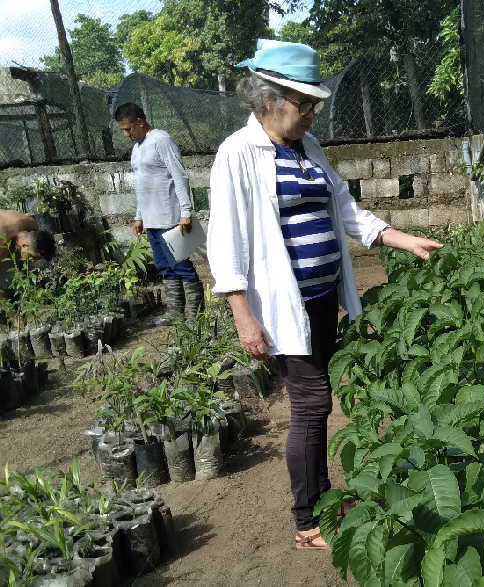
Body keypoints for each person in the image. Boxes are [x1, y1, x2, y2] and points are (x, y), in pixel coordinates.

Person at [206, 39, 443, 550]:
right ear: (267, 99)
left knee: (318, 402)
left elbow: (346, 209)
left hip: (318, 300)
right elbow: (225, 240)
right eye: (303, 103)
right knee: (312, 404)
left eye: (315, 103)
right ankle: (308, 520)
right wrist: (242, 316)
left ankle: (321, 498)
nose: (313, 112)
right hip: (280, 308)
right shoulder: (238, 154)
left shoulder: (308, 148)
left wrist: (403, 239)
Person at [114, 103, 203, 322]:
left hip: (170, 216)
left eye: (128, 129)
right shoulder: (136, 148)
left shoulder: (161, 140)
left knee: (180, 264)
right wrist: (138, 216)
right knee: (164, 266)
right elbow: (141, 185)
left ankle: (195, 314)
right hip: (152, 219)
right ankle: (175, 311)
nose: (126, 134)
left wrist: (185, 211)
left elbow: (179, 176)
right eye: (123, 130)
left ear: (140, 122)